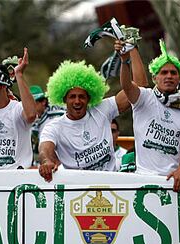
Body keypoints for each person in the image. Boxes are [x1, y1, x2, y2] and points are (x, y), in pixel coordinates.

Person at [39, 47, 147, 182]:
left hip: (111, 186)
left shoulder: (102, 109)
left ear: (89, 98)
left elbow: (139, 88)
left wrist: (133, 50)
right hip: (78, 190)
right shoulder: (54, 126)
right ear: (64, 99)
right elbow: (45, 148)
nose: (77, 101)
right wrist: (46, 161)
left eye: (82, 97)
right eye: (72, 97)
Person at [116, 39, 180, 192]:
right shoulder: (144, 97)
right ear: (155, 78)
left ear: (179, 79)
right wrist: (124, 62)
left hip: (173, 181)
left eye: (173, 73)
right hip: (143, 179)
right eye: (163, 72)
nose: (168, 76)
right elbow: (127, 86)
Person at [30, 85, 65, 166]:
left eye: (33, 103)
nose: (30, 107)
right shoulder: (32, 120)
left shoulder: (56, 115)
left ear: (43, 102)